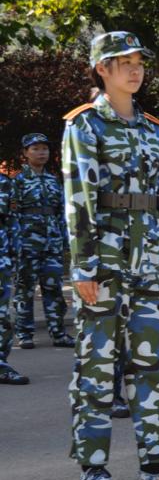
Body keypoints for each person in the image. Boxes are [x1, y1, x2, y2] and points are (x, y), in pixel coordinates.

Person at [62, 31, 159, 480]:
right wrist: (83, 267)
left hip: (148, 264)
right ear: (101, 69)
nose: (135, 69)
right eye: (123, 62)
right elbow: (79, 199)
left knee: (151, 366)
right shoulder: (84, 126)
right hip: (103, 265)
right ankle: (94, 466)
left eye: (139, 61)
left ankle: (155, 465)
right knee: (96, 367)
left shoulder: (155, 131)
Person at [12, 133, 73, 349]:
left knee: (54, 289)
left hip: (52, 244)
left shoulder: (54, 181)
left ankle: (58, 333)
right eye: (35, 148)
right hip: (27, 244)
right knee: (25, 289)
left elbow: (62, 213)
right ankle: (25, 334)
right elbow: (12, 215)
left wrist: (65, 241)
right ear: (25, 153)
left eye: (44, 148)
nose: (41, 153)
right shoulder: (18, 181)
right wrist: (15, 244)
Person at [0, 172, 28, 384]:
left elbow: (12, 221)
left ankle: (0, 365)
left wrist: (15, 256)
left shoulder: (3, 182)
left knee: (1, 315)